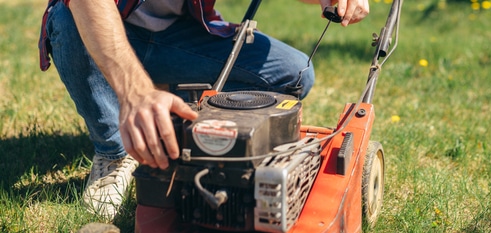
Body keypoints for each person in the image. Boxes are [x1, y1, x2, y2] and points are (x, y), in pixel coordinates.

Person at [39, 0, 369, 220]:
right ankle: (114, 151)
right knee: (66, 19)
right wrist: (135, 95)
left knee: (294, 73)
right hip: (96, 25)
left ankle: (178, 114)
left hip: (178, 36)